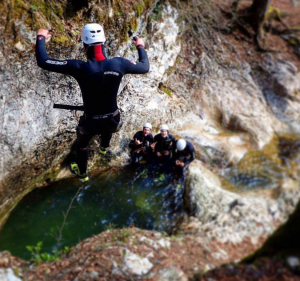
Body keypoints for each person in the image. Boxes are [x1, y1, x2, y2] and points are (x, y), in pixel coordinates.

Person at [36, 23, 149, 182]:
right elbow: (144, 67)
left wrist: (41, 37)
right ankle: (103, 148)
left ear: (84, 43)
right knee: (108, 127)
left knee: (82, 145)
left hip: (90, 123)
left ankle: (82, 174)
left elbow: (43, 61)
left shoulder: (79, 67)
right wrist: (140, 46)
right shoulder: (119, 63)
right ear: (104, 42)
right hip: (113, 118)